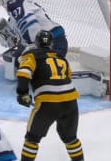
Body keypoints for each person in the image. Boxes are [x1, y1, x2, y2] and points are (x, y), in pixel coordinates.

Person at [15, 30, 84, 161]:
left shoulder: (31, 55)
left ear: (36, 43)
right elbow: (68, 77)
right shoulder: (61, 58)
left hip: (48, 103)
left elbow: (23, 73)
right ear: (51, 44)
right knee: (71, 139)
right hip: (70, 101)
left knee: (32, 139)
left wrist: (22, 93)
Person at [0, 0, 68, 80]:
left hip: (54, 45)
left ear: (3, 2)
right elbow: (18, 40)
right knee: (17, 60)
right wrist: (9, 39)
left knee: (23, 63)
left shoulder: (16, 5)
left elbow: (30, 24)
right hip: (56, 43)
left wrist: (33, 48)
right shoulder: (21, 8)